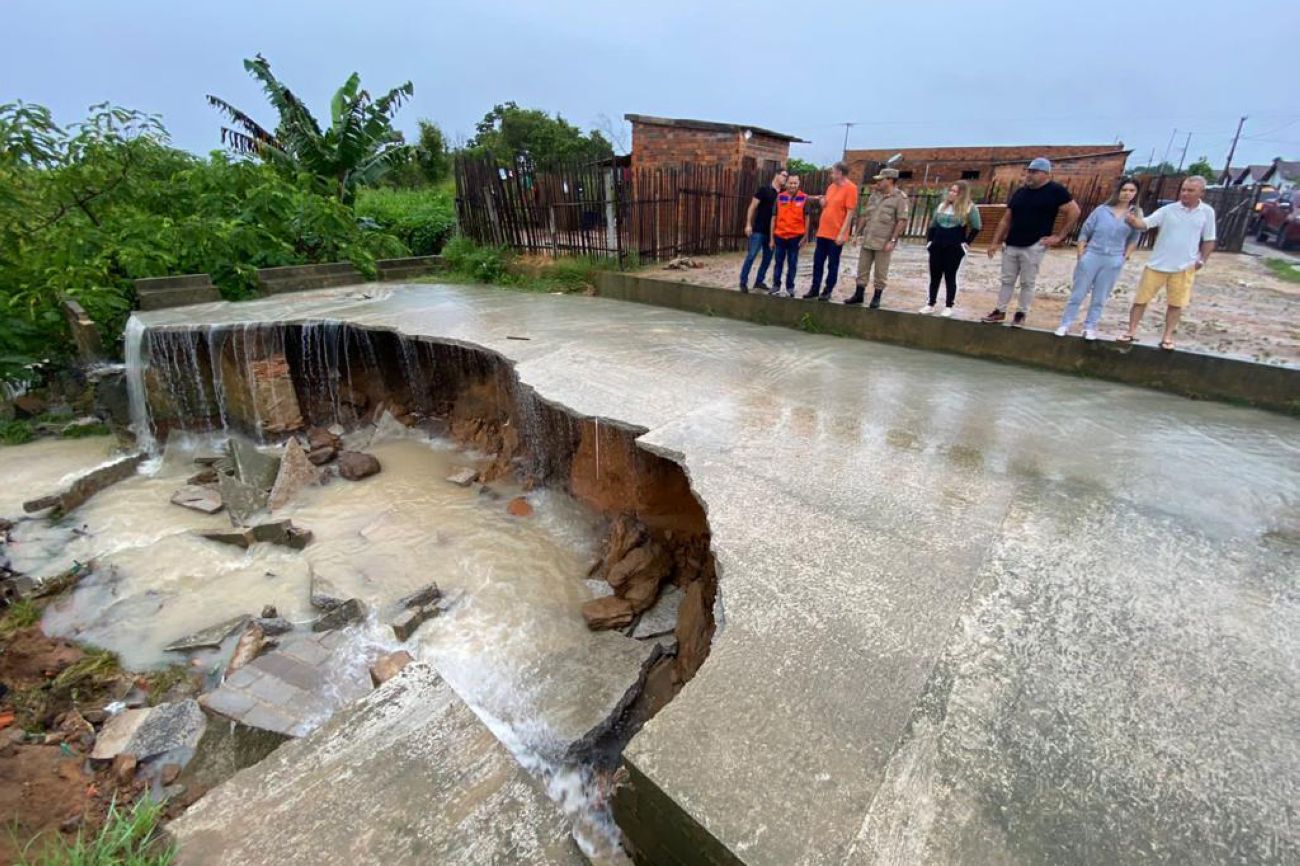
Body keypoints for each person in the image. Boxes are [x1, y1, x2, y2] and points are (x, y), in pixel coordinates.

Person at [981, 157, 1081, 327]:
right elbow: (1006, 219)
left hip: (1034, 244)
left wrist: (1059, 236)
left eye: (1034, 172)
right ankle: (1000, 310)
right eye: (1029, 171)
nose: (1029, 175)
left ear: (1045, 174)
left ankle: (1021, 313)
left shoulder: (1055, 191)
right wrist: (995, 241)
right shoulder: (1021, 192)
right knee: (1007, 279)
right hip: (1012, 242)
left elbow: (1074, 211)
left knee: (1027, 281)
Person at [1118, 176, 1216, 350]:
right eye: (1183, 189)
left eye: (1190, 190)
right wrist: (1134, 222)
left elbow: (1209, 239)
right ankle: (1131, 331)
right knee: (1140, 300)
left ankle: (1167, 337)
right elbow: (1146, 223)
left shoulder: (1207, 212)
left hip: (1184, 266)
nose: (1185, 193)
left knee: (1176, 304)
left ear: (1201, 192)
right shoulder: (1168, 210)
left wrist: (1202, 260)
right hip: (1157, 264)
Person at [1055, 178, 1142, 340]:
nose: (1127, 194)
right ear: (1118, 191)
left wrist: (1125, 257)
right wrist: (1081, 254)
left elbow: (1134, 238)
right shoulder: (1101, 210)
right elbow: (1085, 232)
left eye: (1131, 191)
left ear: (1136, 194)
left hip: (1113, 257)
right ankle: (1066, 323)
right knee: (1078, 293)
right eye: (1124, 190)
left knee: (1100, 296)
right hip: (1093, 254)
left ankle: (1090, 326)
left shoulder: (1135, 214)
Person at [846, 168, 910, 307]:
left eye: (881, 179)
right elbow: (865, 215)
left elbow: (902, 221)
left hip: (884, 241)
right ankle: (859, 294)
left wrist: (892, 240)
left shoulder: (900, 198)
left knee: (881, 271)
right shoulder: (875, 195)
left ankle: (877, 297)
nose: (878, 182)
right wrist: (857, 234)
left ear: (890, 180)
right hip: (868, 238)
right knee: (862, 268)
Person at [921, 181, 982, 316]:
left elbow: (977, 227)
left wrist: (966, 243)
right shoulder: (942, 206)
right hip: (937, 245)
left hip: (954, 247)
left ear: (962, 194)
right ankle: (930, 303)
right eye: (951, 190)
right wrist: (930, 242)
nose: (952, 194)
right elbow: (933, 225)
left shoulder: (969, 208)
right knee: (934, 275)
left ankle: (949, 305)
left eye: (956, 192)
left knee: (950, 276)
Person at [802, 162, 858, 301]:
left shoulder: (851, 188)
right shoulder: (831, 187)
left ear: (839, 173)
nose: (830, 174)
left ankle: (827, 290)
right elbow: (828, 205)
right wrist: (822, 203)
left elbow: (850, 213)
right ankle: (814, 289)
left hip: (836, 234)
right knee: (817, 262)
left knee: (832, 264)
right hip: (823, 232)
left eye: (832, 172)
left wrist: (842, 234)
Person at [740, 167, 788, 292]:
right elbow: (752, 207)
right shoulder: (764, 190)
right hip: (759, 230)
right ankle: (743, 282)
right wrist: (748, 224)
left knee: (767, 258)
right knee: (751, 256)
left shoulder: (783, 194)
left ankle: (759, 281)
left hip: (773, 233)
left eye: (786, 177)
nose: (785, 178)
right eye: (783, 175)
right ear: (776, 175)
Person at [770, 174, 809, 297]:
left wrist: (805, 237)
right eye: (790, 183)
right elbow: (773, 218)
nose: (793, 185)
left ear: (799, 183)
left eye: (795, 183)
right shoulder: (779, 197)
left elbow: (807, 218)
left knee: (792, 263)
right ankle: (776, 285)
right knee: (778, 262)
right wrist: (771, 238)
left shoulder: (804, 198)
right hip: (780, 236)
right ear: (786, 183)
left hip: (795, 237)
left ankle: (790, 287)